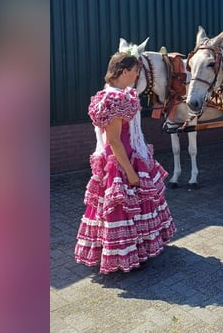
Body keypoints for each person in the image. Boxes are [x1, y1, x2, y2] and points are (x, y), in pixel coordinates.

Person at [75, 51, 176, 273]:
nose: (137, 74)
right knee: (121, 208)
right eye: (135, 70)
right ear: (124, 72)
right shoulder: (113, 99)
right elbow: (113, 141)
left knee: (137, 207)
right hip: (121, 163)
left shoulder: (123, 94)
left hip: (133, 156)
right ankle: (122, 256)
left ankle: (138, 249)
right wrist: (130, 172)